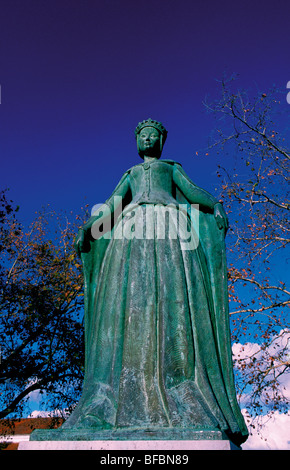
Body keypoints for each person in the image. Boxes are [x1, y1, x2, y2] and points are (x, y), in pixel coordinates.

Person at [64, 119, 248, 446]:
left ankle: (179, 386)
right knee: (129, 300)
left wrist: (215, 204)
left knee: (170, 297)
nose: (148, 137)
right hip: (132, 233)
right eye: (143, 134)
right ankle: (114, 394)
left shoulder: (170, 168)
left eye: (154, 134)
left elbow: (192, 192)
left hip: (169, 230)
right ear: (137, 140)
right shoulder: (131, 174)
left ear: (161, 140)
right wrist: (90, 226)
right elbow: (112, 204)